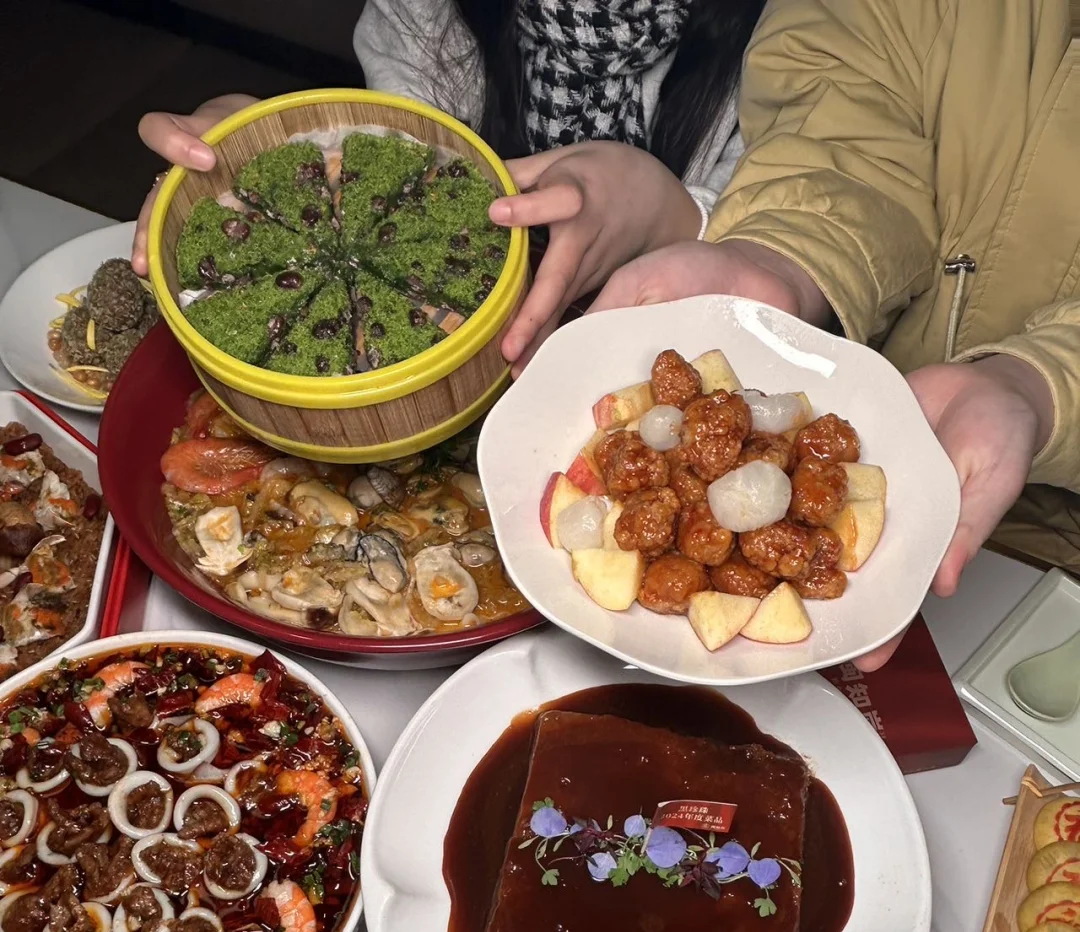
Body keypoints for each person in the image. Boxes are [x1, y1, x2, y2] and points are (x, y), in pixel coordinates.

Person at [590, 0, 1080, 665]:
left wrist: (1041, 387)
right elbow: (841, 111)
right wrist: (782, 260)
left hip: (1052, 559)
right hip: (851, 393)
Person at [132, 0, 767, 370]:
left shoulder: (797, 42)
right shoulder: (428, 13)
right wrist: (256, 154)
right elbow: (394, 160)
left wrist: (677, 217)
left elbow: (800, 240)